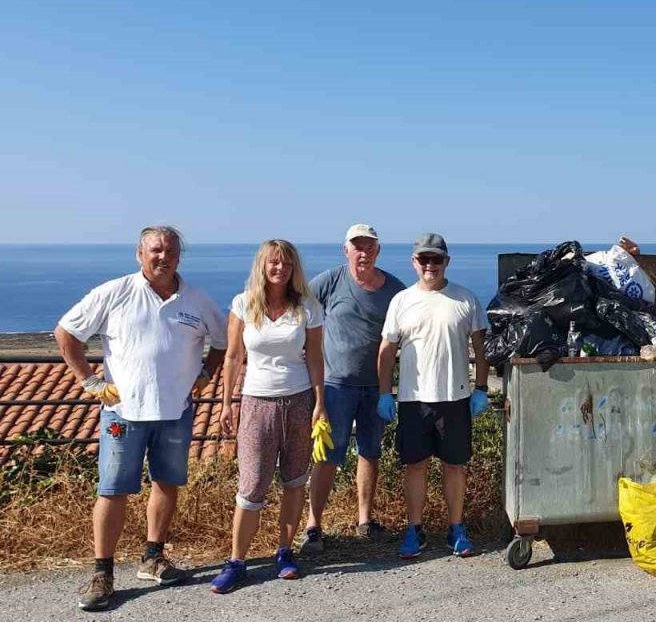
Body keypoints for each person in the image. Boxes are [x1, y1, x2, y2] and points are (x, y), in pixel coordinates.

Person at [55, 226, 227, 611]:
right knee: (113, 490)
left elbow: (223, 340)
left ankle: (153, 557)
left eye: (170, 251)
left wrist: (205, 375)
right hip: (123, 413)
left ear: (180, 257)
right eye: (155, 250)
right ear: (139, 254)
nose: (162, 257)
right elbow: (66, 333)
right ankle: (102, 573)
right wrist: (89, 381)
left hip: (175, 412)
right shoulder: (114, 293)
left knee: (167, 484)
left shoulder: (196, 300)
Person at [211, 239, 326, 593]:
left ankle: (285, 551)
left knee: (294, 480)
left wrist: (320, 403)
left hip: (299, 400)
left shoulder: (307, 307)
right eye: (274, 263)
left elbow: (315, 358)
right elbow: (232, 357)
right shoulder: (243, 304)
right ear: (263, 265)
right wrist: (227, 403)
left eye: (287, 264)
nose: (280, 269)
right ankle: (237, 561)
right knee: (252, 485)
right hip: (256, 402)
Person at [378, 233, 490, 559]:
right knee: (415, 465)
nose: (430, 265)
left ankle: (456, 529)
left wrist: (480, 390)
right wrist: (385, 393)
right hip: (414, 399)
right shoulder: (401, 301)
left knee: (455, 466)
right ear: (414, 262)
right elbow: (387, 350)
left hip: (455, 398)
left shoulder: (465, 299)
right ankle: (415, 529)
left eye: (436, 259)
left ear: (446, 262)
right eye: (423, 259)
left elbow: (482, 350)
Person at [300, 224, 406, 552]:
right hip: (335, 386)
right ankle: (314, 525)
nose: (363, 252)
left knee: (370, 452)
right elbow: (300, 312)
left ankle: (364, 520)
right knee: (329, 455)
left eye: (369, 246)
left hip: (376, 387)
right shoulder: (330, 281)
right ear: (346, 250)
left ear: (378, 251)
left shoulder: (394, 289)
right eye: (357, 246)